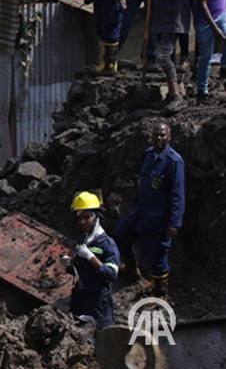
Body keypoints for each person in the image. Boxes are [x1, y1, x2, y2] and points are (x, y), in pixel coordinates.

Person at [111, 123, 184, 300]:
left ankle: (159, 296)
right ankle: (131, 269)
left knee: (157, 258)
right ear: (151, 136)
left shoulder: (174, 161)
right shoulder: (148, 155)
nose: (159, 138)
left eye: (163, 135)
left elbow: (178, 194)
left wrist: (175, 222)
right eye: (156, 135)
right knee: (120, 235)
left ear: (169, 138)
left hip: (158, 220)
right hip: (140, 213)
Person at [65, 192, 119, 330]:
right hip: (81, 295)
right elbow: (83, 269)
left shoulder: (107, 244)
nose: (82, 222)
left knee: (102, 335)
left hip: (98, 300)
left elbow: (111, 274)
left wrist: (91, 257)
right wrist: (70, 265)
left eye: (86, 217)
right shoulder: (82, 239)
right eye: (79, 218)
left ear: (96, 217)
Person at [147, 0, 189, 107]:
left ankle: (176, 95)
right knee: (168, 57)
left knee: (163, 56)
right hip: (164, 15)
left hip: (175, 16)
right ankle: (173, 95)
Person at [192, 0, 226, 104]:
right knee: (205, 57)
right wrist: (215, 29)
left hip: (222, 14)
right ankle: (202, 92)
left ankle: (224, 71)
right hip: (205, 21)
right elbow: (202, 3)